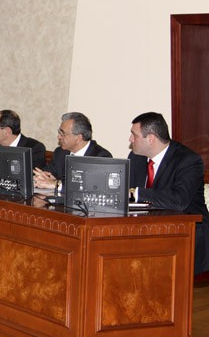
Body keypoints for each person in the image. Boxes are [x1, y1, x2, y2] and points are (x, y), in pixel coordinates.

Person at [128, 112, 209, 275]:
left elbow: (179, 201)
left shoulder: (188, 160)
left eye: (134, 135)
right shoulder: (136, 158)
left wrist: (138, 193)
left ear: (151, 138)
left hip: (187, 234)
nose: (130, 139)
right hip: (148, 230)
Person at [33, 112, 112, 190]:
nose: (59, 136)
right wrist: (43, 177)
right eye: (59, 132)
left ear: (78, 138)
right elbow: (48, 173)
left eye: (63, 134)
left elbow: (92, 186)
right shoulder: (60, 152)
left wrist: (57, 184)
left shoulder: (101, 157)